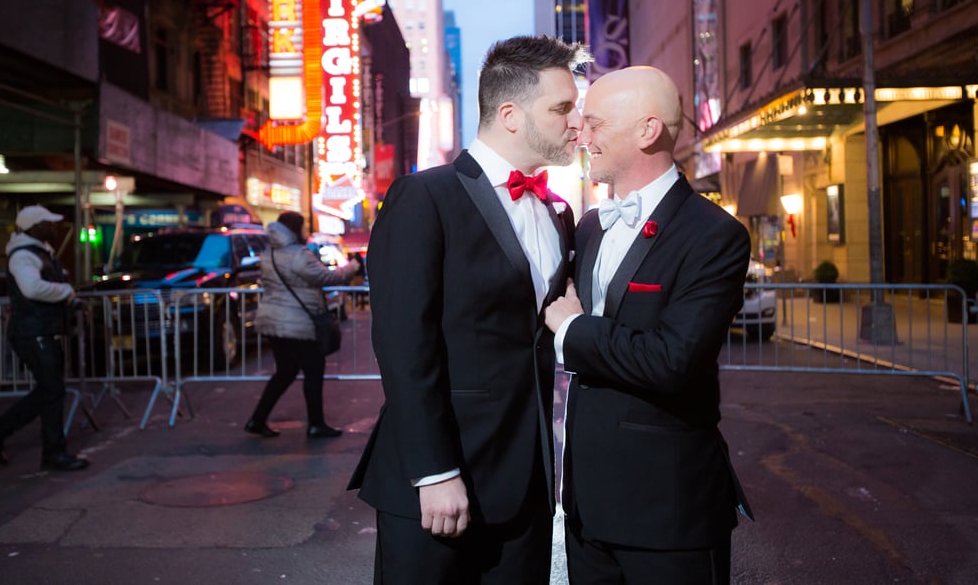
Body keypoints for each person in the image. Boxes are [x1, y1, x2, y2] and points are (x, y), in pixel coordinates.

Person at [348, 35, 589, 583]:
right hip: (439, 478)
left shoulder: (559, 213)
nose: (576, 122)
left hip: (527, 480)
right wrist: (434, 471)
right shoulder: (423, 196)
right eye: (561, 108)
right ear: (510, 114)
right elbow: (405, 348)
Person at [545, 65, 753, 584]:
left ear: (648, 130)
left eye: (595, 124)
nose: (581, 135)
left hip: (668, 510)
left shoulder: (713, 235)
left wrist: (573, 332)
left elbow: (673, 360)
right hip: (586, 508)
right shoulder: (590, 226)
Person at [0, 205, 89, 472]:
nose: (54, 227)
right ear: (34, 227)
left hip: (39, 330)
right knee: (52, 390)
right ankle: (46, 449)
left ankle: (2, 431)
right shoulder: (23, 256)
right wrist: (64, 291)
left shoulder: (38, 252)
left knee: (50, 390)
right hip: (32, 332)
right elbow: (31, 288)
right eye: (48, 223)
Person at [246, 211, 361, 439]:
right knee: (313, 369)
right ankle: (316, 424)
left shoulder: (269, 253)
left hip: (274, 320)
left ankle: (257, 419)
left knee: (286, 372)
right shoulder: (297, 254)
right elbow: (325, 277)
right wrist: (352, 268)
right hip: (296, 322)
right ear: (295, 229)